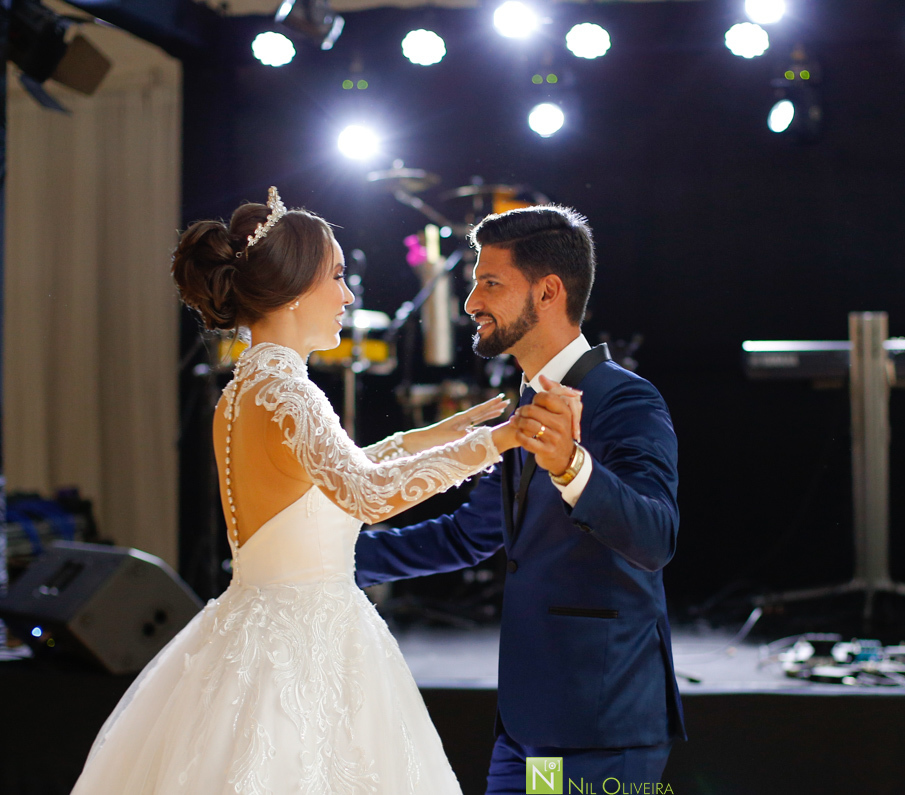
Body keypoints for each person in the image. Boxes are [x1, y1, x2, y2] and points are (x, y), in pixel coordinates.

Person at [71, 187, 576, 794]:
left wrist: (426, 437)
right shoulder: (290, 394)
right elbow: (365, 495)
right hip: (305, 638)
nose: (348, 296)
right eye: (336, 277)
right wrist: (498, 442)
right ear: (290, 289)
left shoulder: (243, 390)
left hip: (255, 625)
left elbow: (323, 482)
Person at [356, 205, 685, 794]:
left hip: (601, 723)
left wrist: (573, 467)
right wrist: (330, 559)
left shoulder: (627, 400)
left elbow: (655, 537)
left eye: (491, 283)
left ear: (549, 292)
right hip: (531, 719)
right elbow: (469, 535)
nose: (471, 302)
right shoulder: (522, 408)